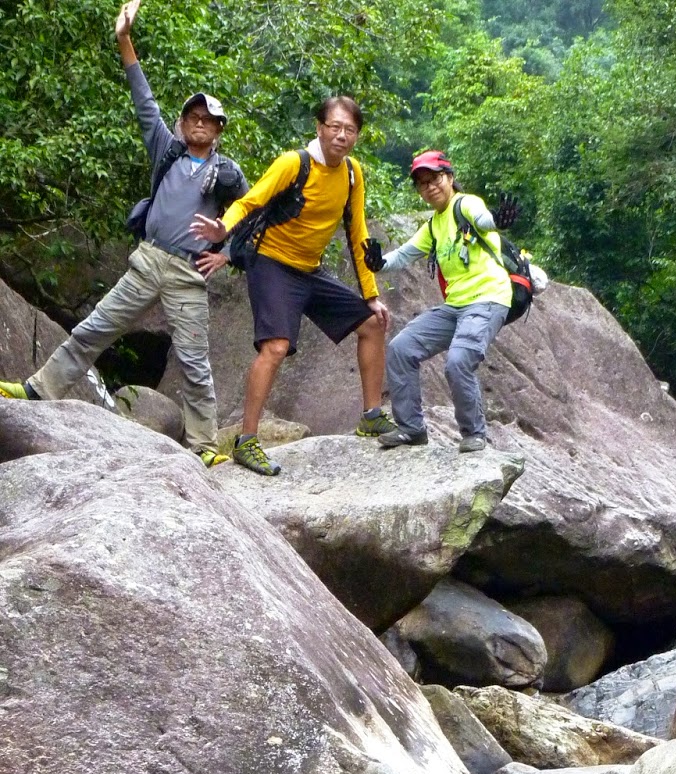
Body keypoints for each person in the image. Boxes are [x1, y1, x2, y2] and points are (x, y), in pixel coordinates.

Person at [0, 0, 247, 467]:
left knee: (194, 361)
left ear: (218, 130)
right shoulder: (166, 149)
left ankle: (204, 446)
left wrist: (228, 252)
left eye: (208, 120)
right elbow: (144, 99)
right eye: (193, 117)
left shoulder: (228, 173)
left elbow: (252, 214)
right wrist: (123, 38)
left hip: (188, 272)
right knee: (95, 328)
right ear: (183, 123)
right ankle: (38, 389)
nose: (199, 123)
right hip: (148, 260)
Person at [191, 96, 391, 476]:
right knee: (276, 346)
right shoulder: (293, 163)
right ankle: (247, 441)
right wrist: (223, 229)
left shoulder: (352, 174)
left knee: (372, 323)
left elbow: (358, 233)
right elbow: (249, 203)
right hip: (272, 263)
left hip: (310, 269)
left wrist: (371, 295)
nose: (342, 136)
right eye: (335, 127)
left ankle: (371, 416)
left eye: (350, 130)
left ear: (357, 136)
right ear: (319, 128)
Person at [375, 151, 512, 453]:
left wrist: (497, 221)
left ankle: (474, 433)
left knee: (458, 361)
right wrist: (377, 263)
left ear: (449, 177)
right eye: (422, 183)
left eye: (435, 178)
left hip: (488, 298)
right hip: (456, 306)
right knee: (401, 348)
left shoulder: (465, 204)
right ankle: (411, 429)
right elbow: (404, 255)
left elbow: (484, 220)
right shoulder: (434, 225)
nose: (430, 187)